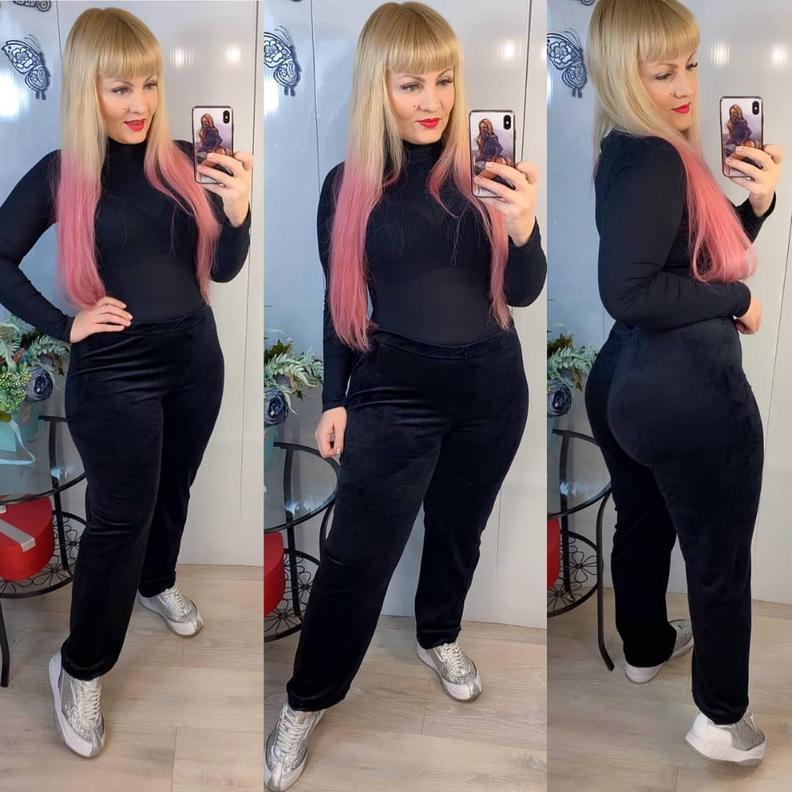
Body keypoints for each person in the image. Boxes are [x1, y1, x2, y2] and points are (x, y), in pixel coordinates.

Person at [264, 3, 546, 790]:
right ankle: (306, 699)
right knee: (357, 557)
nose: (432, 100)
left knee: (458, 532)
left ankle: (437, 633)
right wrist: (335, 397)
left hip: (492, 388)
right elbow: (340, 302)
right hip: (395, 389)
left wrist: (524, 223)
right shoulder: (349, 187)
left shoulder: (487, 172)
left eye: (445, 80)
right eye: (411, 83)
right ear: (377, 89)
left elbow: (524, 290)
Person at [0, 7, 252, 757]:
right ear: (89, 90)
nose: (139, 103)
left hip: (195, 358)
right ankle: (79, 668)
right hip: (116, 369)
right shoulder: (63, 173)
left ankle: (156, 581)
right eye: (120, 88)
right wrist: (63, 323)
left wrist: (238, 211)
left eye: (148, 84)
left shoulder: (186, 158)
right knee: (118, 520)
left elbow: (224, 268)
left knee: (173, 488)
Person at [584, 0, 782, 766]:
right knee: (718, 557)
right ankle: (722, 722)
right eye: (660, 71)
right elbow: (628, 290)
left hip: (625, 383)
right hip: (688, 394)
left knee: (645, 523)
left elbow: (683, 259)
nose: (683, 86)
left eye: (690, 66)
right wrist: (736, 299)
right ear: (618, 73)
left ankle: (644, 647)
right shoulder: (655, 158)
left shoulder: (625, 149)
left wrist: (755, 207)